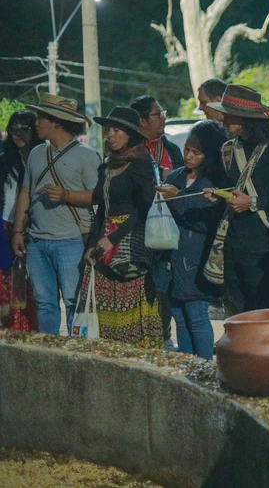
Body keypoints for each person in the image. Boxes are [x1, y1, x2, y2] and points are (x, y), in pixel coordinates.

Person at [204, 85, 269, 314]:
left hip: (263, 250)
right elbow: (234, 188)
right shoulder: (229, 150)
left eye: (229, 116)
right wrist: (219, 195)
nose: (223, 120)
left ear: (245, 119)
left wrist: (253, 202)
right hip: (231, 247)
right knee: (236, 315)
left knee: (263, 313)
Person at [12, 94, 101, 335]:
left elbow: (99, 196)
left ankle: (74, 353)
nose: (36, 123)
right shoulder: (36, 153)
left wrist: (66, 196)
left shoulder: (86, 155)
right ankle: (49, 351)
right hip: (37, 242)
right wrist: (18, 232)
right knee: (44, 304)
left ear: (56, 122)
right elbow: (26, 191)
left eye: (41, 117)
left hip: (71, 241)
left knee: (74, 302)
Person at [81, 106, 161, 347]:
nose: (111, 135)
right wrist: (92, 243)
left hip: (131, 244)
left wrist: (114, 239)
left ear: (131, 134)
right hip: (104, 242)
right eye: (109, 130)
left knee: (132, 310)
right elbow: (102, 209)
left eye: (117, 130)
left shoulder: (141, 163)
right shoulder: (107, 165)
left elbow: (144, 209)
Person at [156, 120, 228, 360]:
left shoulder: (213, 184)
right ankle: (186, 366)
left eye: (196, 153)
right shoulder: (177, 175)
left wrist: (178, 198)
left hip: (194, 260)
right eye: (186, 149)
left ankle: (204, 367)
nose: (188, 156)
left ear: (209, 156)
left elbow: (207, 223)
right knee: (179, 317)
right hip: (170, 259)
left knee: (196, 317)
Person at [130, 95, 184, 347]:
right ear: (141, 121)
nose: (163, 119)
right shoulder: (129, 150)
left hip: (167, 231)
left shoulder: (172, 150)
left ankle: (164, 339)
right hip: (136, 231)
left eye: (163, 114)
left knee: (163, 288)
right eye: (157, 114)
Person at [0, 110, 43, 331]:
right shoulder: (4, 160)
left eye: (23, 129)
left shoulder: (42, 158)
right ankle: (11, 330)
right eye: (13, 129)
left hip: (36, 227)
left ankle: (31, 330)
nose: (18, 134)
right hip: (6, 226)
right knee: (9, 282)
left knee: (33, 284)